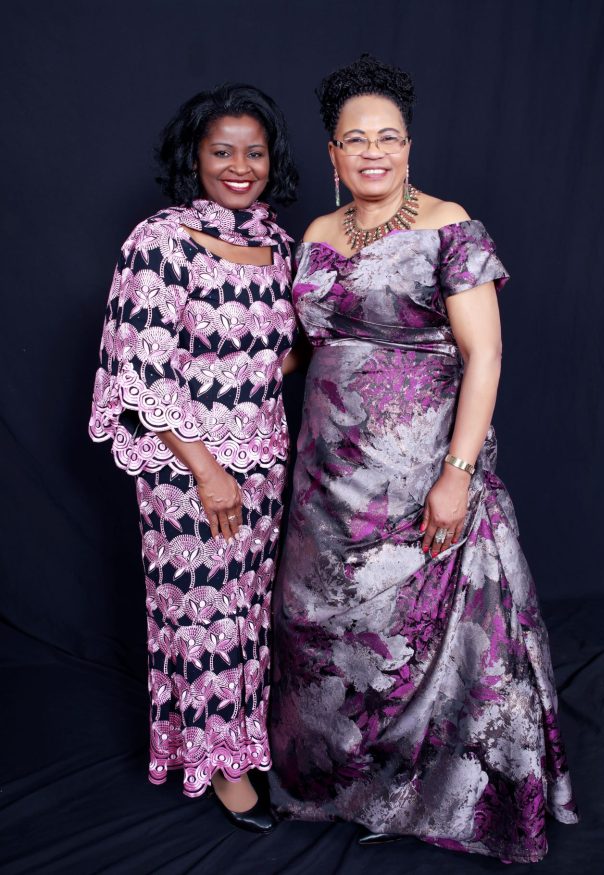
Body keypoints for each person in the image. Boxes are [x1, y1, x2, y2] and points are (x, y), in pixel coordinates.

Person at [269, 55, 578, 862]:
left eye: (388, 137)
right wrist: (224, 378)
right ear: (332, 153)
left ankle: (419, 798)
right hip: (324, 477)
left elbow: (485, 355)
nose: (372, 151)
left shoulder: (449, 226)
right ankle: (342, 787)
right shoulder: (317, 234)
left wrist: (456, 474)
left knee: (412, 633)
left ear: (408, 146)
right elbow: (307, 345)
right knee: (323, 633)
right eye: (355, 139)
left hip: (417, 474)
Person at [89, 84, 298, 833]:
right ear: (194, 158)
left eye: (254, 152)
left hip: (263, 460)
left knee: (247, 611)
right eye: (222, 152)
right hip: (187, 469)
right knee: (200, 615)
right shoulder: (160, 240)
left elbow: (283, 346)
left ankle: (244, 740)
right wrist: (207, 470)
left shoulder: (277, 242)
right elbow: (139, 374)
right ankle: (222, 767)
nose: (240, 167)